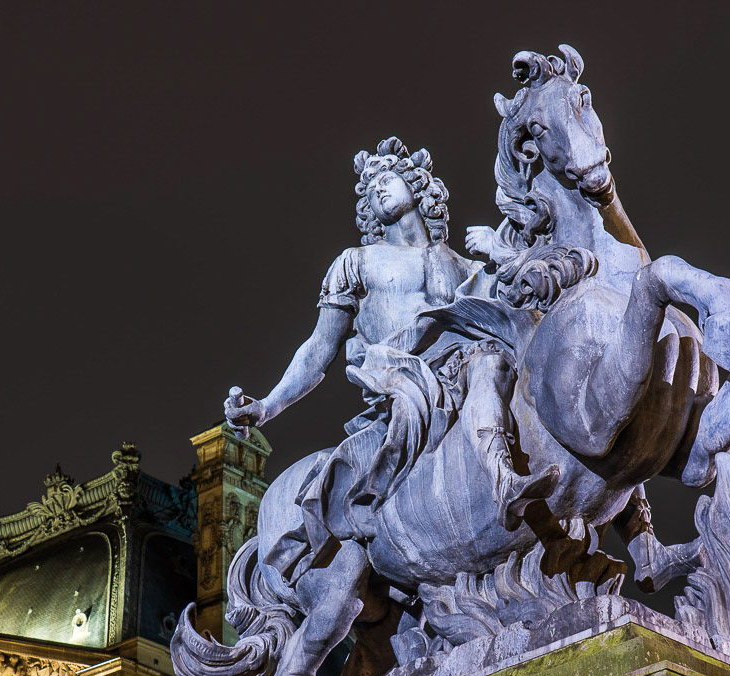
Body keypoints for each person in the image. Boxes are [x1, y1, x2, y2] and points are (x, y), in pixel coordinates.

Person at [224, 138, 558, 554]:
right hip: (406, 380)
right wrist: (266, 407)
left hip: (466, 367)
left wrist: (501, 251)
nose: (377, 189)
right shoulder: (357, 262)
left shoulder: (465, 265)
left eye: (387, 178)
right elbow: (317, 349)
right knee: (487, 363)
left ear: (417, 186)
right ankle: (504, 481)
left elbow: (528, 307)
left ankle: (636, 531)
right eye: (369, 189)